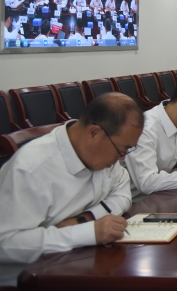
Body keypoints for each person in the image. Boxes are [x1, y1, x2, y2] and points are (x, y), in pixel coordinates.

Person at [0, 93, 143, 264]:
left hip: (82, 259)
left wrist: (84, 219)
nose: (122, 159)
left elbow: (123, 193)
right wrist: (87, 233)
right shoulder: (31, 169)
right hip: (33, 271)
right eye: (121, 150)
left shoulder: (101, 153)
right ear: (94, 133)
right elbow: (6, 244)